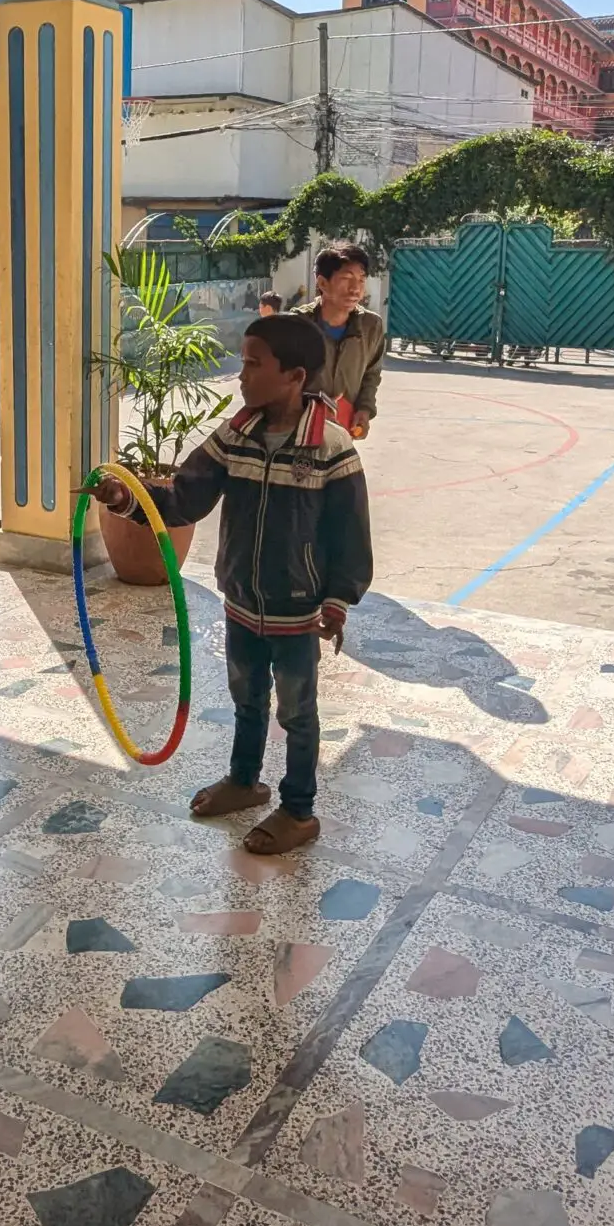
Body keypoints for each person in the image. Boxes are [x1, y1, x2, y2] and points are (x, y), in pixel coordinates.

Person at [89, 314, 372, 855]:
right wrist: (128, 498)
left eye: (252, 363)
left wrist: (337, 601)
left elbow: (351, 537)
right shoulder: (233, 436)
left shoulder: (330, 448)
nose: (240, 375)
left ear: (293, 375)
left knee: (297, 713)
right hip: (241, 603)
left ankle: (298, 809)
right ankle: (245, 782)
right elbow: (185, 498)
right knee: (247, 699)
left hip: (296, 612)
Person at [292, 243, 386, 438]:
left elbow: (371, 374)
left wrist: (364, 409)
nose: (355, 289)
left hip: (343, 429)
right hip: (299, 427)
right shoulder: (298, 323)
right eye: (346, 279)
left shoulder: (371, 325)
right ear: (323, 283)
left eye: (361, 280)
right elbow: (279, 376)